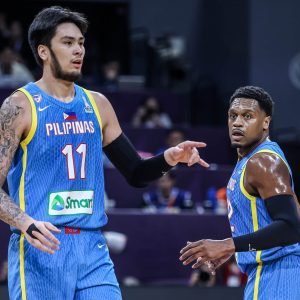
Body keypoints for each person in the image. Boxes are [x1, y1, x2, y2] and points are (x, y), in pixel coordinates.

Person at [0, 6, 209, 300]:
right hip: (41, 246)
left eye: (81, 42)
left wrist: (168, 159)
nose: (78, 50)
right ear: (44, 52)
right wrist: (24, 223)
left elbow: (136, 173)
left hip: (92, 249)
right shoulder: (20, 106)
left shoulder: (97, 105)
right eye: (68, 42)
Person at [179, 86, 300, 299]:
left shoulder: (263, 161)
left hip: (279, 274)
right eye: (232, 116)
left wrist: (228, 245)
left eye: (248, 116)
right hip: (271, 272)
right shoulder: (250, 160)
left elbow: (291, 227)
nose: (237, 122)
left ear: (266, 122)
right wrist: (234, 249)